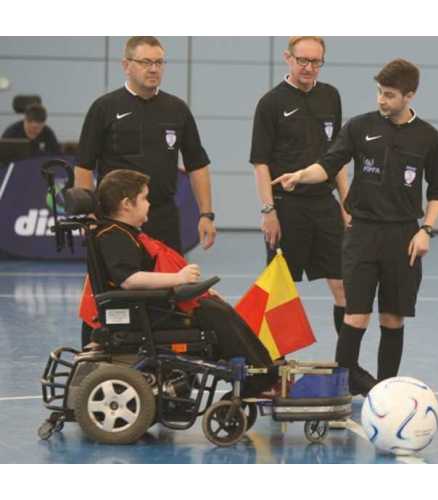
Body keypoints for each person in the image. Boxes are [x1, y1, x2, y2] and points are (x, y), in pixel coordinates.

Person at [273, 59, 438, 395]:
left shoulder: (429, 137)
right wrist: (300, 175)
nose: (381, 100)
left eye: (389, 95)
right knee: (356, 316)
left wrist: (425, 230)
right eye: (379, 93)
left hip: (403, 236)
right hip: (362, 234)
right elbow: (327, 166)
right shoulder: (359, 127)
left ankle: (386, 392)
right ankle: (342, 387)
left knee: (392, 319)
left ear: (409, 95)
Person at [87, 169, 276, 394]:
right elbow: (129, 280)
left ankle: (263, 370)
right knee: (215, 314)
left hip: (146, 308)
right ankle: (262, 376)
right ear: (127, 204)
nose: (149, 204)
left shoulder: (123, 232)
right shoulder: (113, 235)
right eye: (144, 198)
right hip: (141, 314)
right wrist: (179, 279)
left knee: (216, 307)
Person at [74, 36, 216, 254]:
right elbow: (84, 165)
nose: (153, 69)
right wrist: (89, 214)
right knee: (122, 285)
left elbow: (197, 165)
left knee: (170, 284)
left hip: (163, 216)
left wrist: (206, 214)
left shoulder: (177, 109)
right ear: (126, 65)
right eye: (145, 62)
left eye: (159, 63)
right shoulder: (104, 108)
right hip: (116, 218)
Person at [250, 36, 349, 340]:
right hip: (286, 206)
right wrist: (268, 211)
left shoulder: (331, 97)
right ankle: (273, 367)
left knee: (344, 284)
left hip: (324, 204)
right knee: (280, 289)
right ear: (288, 58)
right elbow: (260, 164)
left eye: (315, 61)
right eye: (302, 60)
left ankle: (347, 363)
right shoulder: (271, 103)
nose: (308, 67)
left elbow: (338, 157)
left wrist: (347, 205)